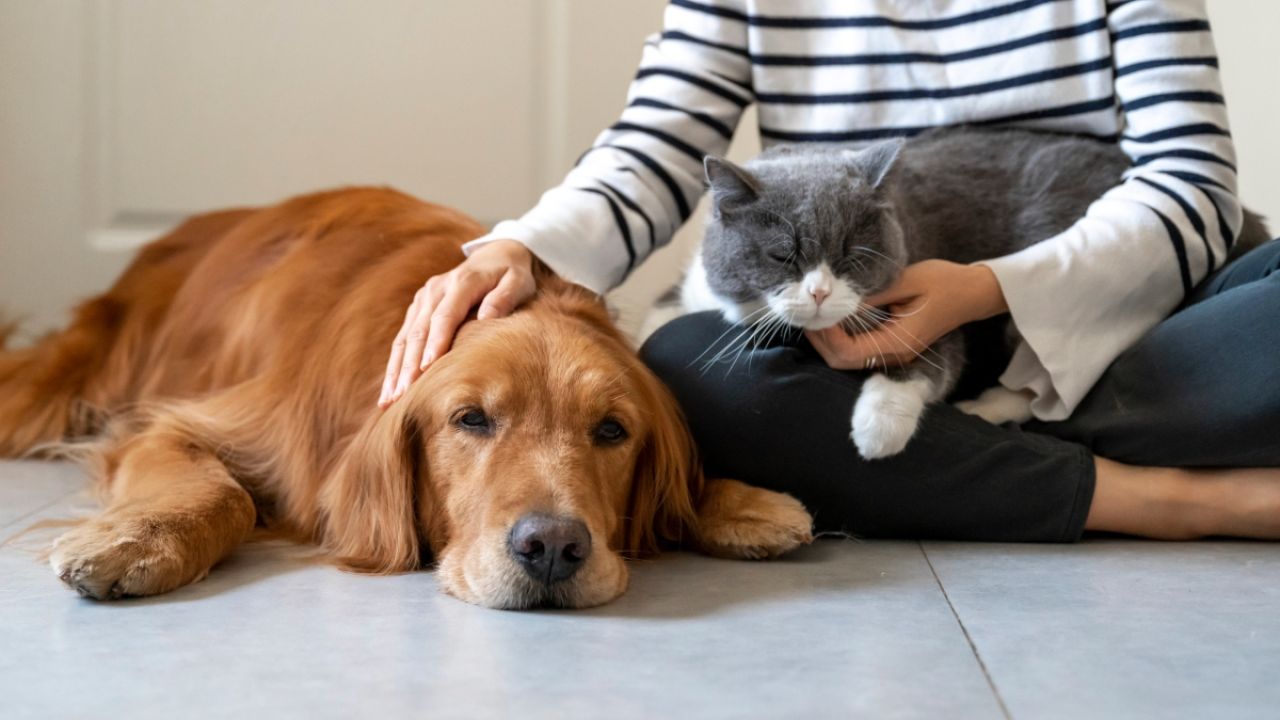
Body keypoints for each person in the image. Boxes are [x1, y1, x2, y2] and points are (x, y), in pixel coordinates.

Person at [379, 0, 1280, 541]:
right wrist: (525, 247)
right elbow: (657, 143)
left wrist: (989, 289)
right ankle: (1165, 495)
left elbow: (1192, 182)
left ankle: (977, 451)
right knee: (690, 366)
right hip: (849, 337)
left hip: (1127, 306)